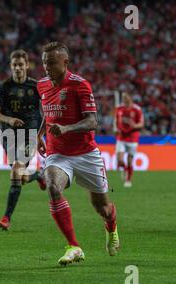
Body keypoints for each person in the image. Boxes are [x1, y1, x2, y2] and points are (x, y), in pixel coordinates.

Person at [36, 42, 119, 266]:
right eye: (44, 62)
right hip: (58, 153)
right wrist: (40, 133)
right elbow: (47, 111)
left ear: (65, 62)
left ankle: (111, 225)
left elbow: (92, 121)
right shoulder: (42, 85)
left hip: (86, 154)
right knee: (53, 187)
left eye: (51, 63)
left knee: (102, 208)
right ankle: (74, 246)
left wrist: (66, 128)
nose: (46, 67)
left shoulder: (80, 85)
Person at [0, 50, 46, 231]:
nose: (18, 68)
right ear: (11, 66)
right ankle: (37, 175)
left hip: (29, 134)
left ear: (26, 65)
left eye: (21, 65)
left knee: (16, 169)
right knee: (20, 177)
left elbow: (47, 112)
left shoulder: (36, 87)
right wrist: (9, 120)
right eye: (14, 65)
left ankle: (6, 217)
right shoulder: (4, 86)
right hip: (9, 135)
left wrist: (39, 136)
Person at [114, 93, 144, 187]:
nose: (124, 100)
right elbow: (116, 120)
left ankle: (128, 180)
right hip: (121, 137)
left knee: (130, 161)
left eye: (126, 98)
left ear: (130, 98)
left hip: (132, 138)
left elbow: (141, 124)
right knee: (119, 160)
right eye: (123, 98)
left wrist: (135, 126)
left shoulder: (137, 109)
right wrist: (116, 129)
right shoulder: (119, 109)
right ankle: (125, 169)